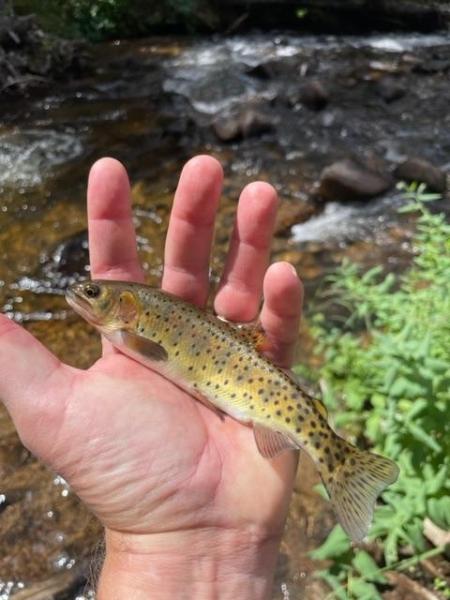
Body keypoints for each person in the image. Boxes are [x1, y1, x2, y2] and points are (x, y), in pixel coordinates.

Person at [0, 155, 303, 599]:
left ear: (128, 310)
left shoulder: (135, 331)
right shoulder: (129, 329)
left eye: (95, 293)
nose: (83, 295)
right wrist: (171, 540)